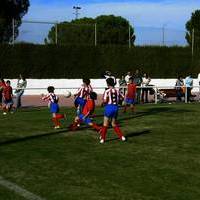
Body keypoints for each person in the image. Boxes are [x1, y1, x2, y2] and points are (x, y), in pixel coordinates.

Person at [100, 78, 126, 144]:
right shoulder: (117, 90)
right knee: (113, 124)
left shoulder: (107, 91)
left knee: (105, 124)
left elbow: (105, 100)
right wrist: (120, 101)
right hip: (116, 108)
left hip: (109, 107)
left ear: (107, 84)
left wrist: (103, 103)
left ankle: (102, 139)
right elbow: (123, 97)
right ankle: (122, 137)